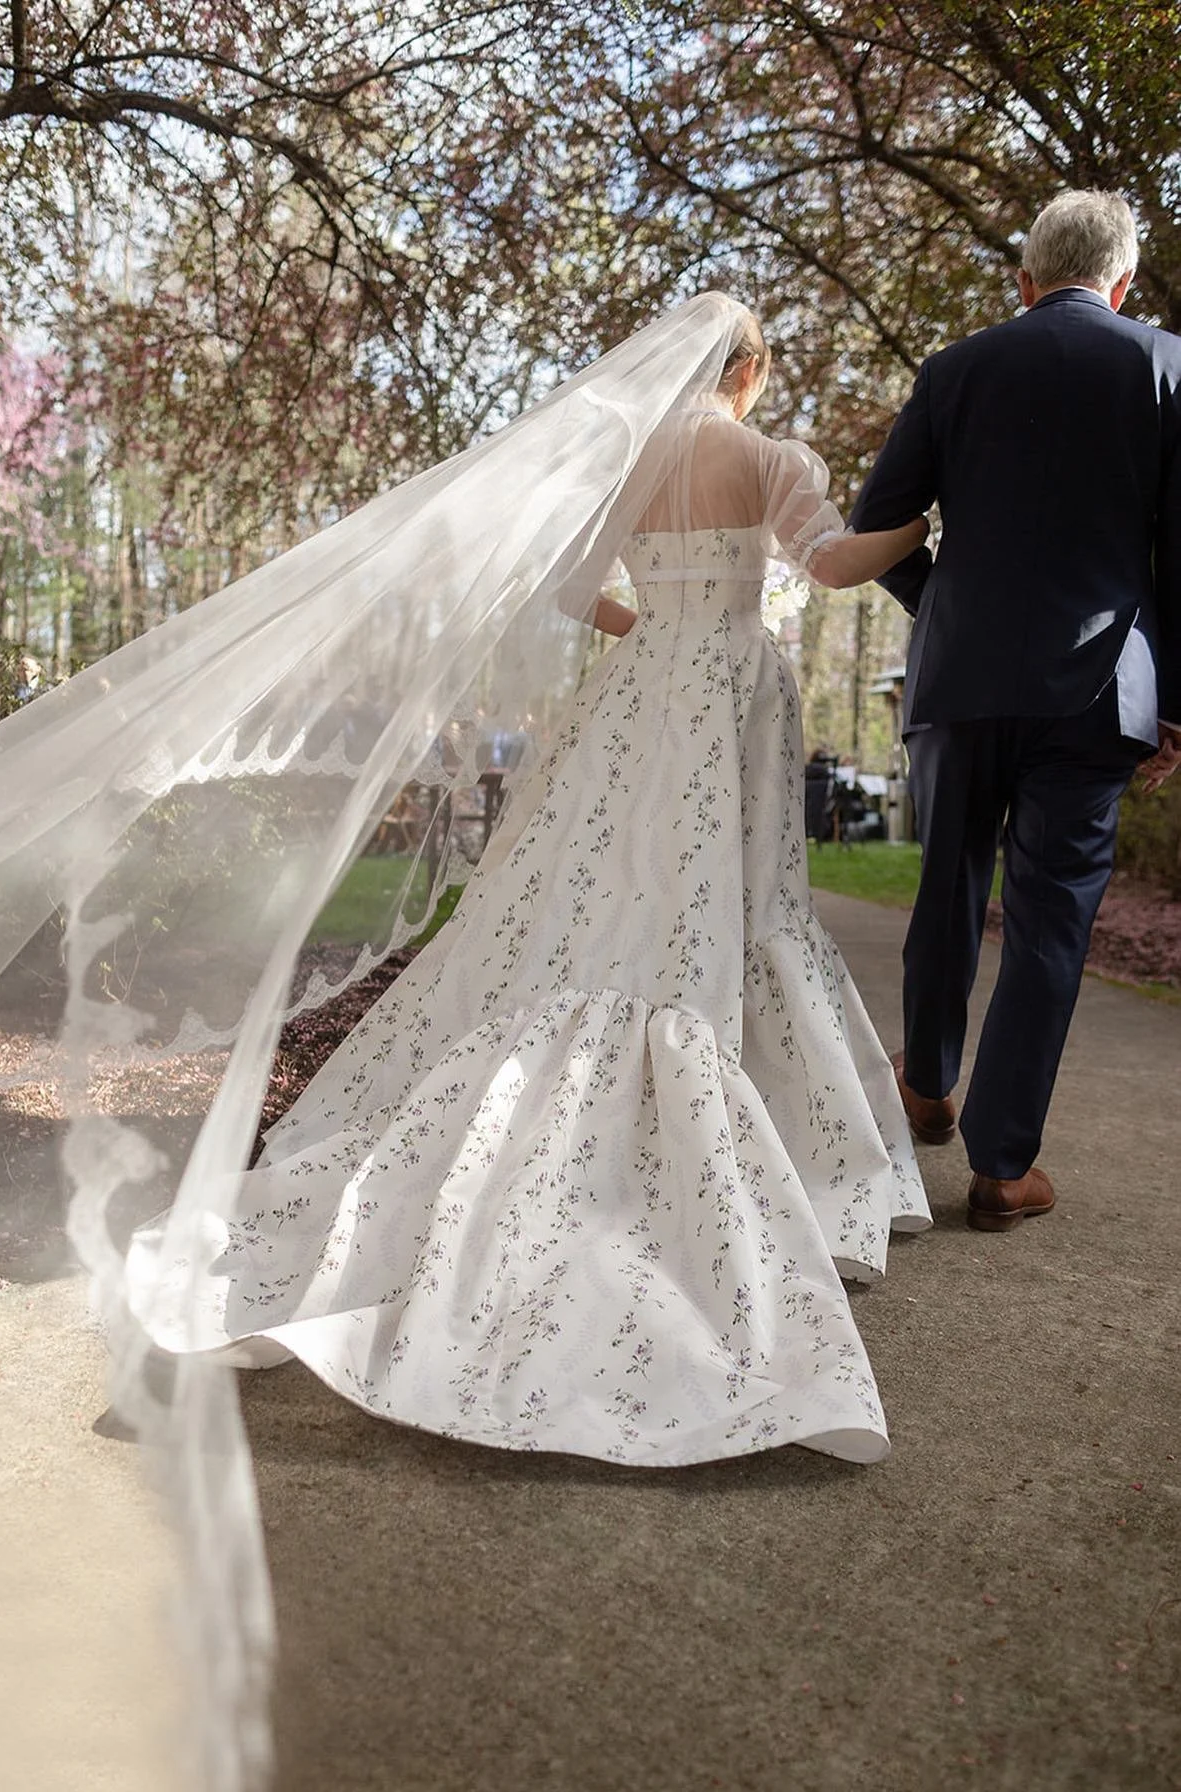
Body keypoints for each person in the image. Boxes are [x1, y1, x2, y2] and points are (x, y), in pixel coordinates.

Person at [127, 306, 934, 1467]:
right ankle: (783, 1146)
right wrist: (922, 517)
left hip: (640, 688)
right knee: (741, 907)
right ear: (748, 372)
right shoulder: (769, 458)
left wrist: (653, 627)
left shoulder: (633, 467)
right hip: (727, 699)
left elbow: (568, 594)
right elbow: (836, 563)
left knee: (597, 893)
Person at [849, 190, 1181, 1230]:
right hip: (1096, 691)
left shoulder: (955, 369)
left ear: (1024, 280)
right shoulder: (1166, 364)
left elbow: (881, 524)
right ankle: (1000, 1166)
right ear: (1121, 284)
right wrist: (1172, 703)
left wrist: (941, 608)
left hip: (960, 681)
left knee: (947, 884)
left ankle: (925, 1085)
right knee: (1051, 921)